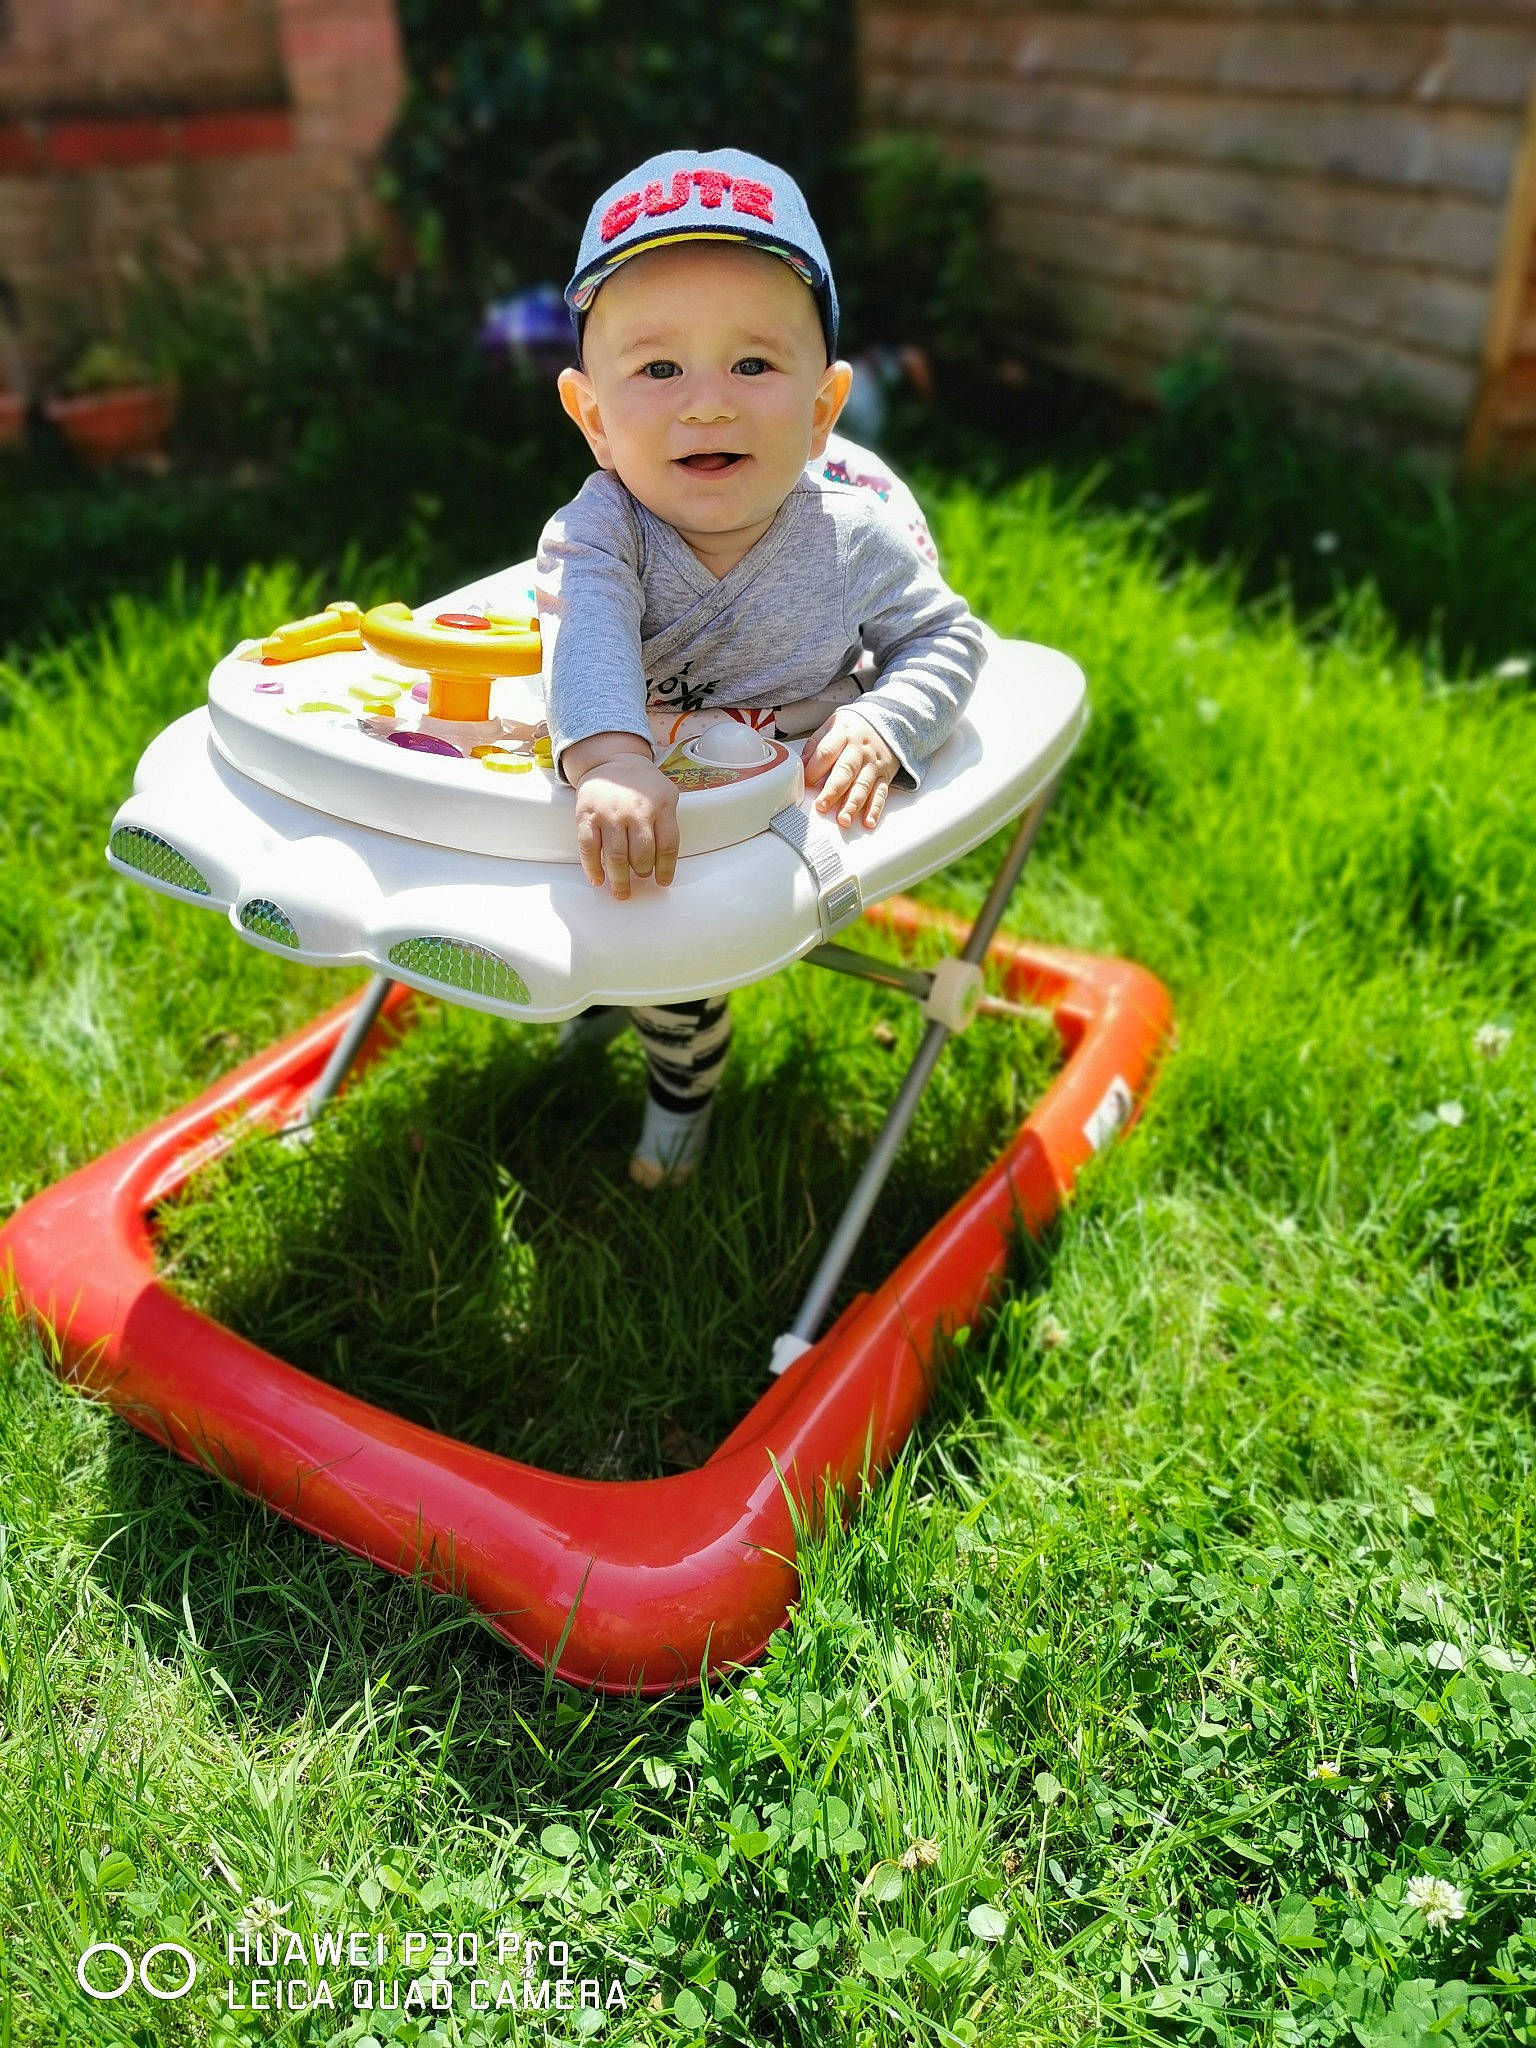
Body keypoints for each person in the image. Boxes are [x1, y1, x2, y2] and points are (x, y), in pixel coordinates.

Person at [537, 147, 985, 1187]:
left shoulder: (852, 538)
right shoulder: (601, 531)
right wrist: (608, 754)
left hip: (780, 802)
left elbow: (951, 638)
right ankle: (607, 992)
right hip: (646, 777)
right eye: (658, 369)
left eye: (753, 365)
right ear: (593, 416)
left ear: (825, 406)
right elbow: (588, 632)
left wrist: (885, 723)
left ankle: (679, 1090)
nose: (708, 404)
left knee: (677, 944)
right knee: (609, 876)